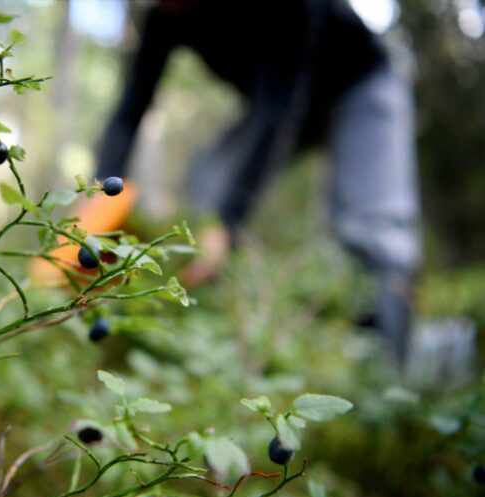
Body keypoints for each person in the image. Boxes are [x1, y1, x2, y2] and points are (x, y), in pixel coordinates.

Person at [95, 0, 422, 364]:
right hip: (281, 103)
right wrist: (99, 197)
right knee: (205, 186)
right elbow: (129, 113)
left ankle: (386, 378)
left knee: (373, 230)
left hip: (359, 86)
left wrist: (227, 223)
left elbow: (277, 112)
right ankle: (206, 335)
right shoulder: (163, 18)